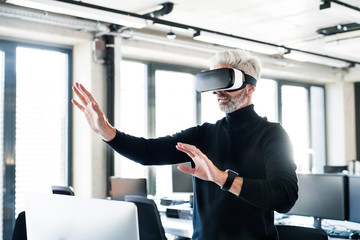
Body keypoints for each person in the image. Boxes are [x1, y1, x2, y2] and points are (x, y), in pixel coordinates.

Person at [72, 49, 298, 240]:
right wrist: (107, 132)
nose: (218, 91)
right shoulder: (204, 134)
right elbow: (148, 152)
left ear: (250, 87)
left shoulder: (273, 134)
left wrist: (221, 178)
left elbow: (285, 197)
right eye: (215, 83)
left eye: (226, 82)